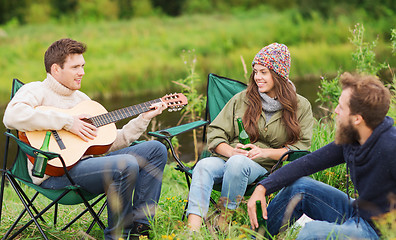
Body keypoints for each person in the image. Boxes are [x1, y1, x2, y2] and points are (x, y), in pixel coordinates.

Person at [3, 38, 168, 240]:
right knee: (126, 164)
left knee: (155, 149)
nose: (82, 72)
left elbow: (107, 142)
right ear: (56, 69)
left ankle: (140, 228)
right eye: (75, 67)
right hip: (55, 173)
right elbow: (11, 117)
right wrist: (67, 122)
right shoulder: (35, 90)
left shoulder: (82, 100)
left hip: (88, 166)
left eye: (82, 66)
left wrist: (143, 119)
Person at [247, 72, 396, 239]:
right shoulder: (354, 138)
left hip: (380, 232)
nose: (335, 111)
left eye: (341, 107)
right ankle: (256, 237)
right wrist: (263, 187)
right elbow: (308, 163)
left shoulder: (390, 146)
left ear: (357, 119)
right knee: (300, 187)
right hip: (359, 212)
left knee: (312, 231)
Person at [187, 43, 314, 231]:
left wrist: (263, 152)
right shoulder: (242, 99)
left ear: (278, 75)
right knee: (203, 165)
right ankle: (192, 231)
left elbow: (299, 149)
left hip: (264, 166)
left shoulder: (300, 106)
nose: (257, 78)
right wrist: (231, 151)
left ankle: (223, 221)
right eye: (255, 72)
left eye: (263, 72)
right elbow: (216, 133)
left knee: (238, 163)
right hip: (227, 159)